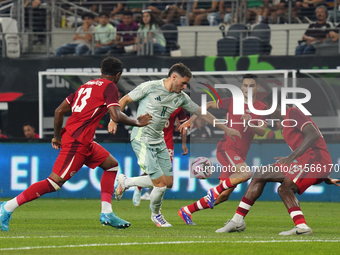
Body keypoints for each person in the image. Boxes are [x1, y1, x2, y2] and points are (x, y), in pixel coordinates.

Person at [0, 57, 152, 232]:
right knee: (53, 183)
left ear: (101, 71)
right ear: (117, 75)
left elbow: (59, 111)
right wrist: (137, 122)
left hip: (82, 140)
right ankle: (7, 207)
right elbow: (116, 116)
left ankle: (107, 213)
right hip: (76, 142)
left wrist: (57, 137)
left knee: (111, 166)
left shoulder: (85, 86)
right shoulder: (110, 86)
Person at [110, 63, 241, 227]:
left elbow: (202, 113)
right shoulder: (150, 87)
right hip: (142, 139)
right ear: (173, 77)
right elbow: (124, 100)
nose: (185, 87)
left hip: (159, 140)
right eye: (183, 83)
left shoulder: (181, 97)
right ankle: (156, 215)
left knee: (168, 182)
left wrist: (225, 128)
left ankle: (127, 182)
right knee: (160, 184)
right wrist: (113, 120)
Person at [216, 91, 339, 235]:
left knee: (274, 181)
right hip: (312, 163)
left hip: (314, 161)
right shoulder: (287, 122)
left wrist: (292, 157)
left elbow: (313, 134)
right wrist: (324, 175)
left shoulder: (292, 112)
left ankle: (238, 221)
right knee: (273, 181)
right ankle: (300, 227)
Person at [178, 74, 268, 225]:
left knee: (223, 195)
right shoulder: (233, 102)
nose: (248, 89)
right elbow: (207, 105)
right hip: (228, 148)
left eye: (252, 86)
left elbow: (262, 131)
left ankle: (187, 210)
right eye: (245, 85)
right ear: (241, 88)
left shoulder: (261, 107)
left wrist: (250, 122)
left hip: (240, 152)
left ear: (257, 88)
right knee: (246, 173)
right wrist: (191, 120)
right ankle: (215, 190)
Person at [132, 107, 188, 206]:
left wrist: (184, 144)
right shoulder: (156, 101)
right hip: (153, 140)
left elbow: (184, 126)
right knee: (151, 169)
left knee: (165, 174)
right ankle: (138, 187)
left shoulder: (179, 106)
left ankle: (153, 197)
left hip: (167, 142)